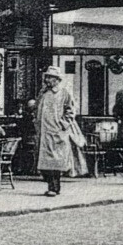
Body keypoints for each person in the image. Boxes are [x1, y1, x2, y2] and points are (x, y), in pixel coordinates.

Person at [34, 66, 78, 197]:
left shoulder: (64, 93)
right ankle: (51, 186)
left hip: (56, 133)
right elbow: (37, 108)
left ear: (57, 80)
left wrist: (62, 124)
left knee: (55, 162)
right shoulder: (43, 93)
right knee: (45, 163)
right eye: (47, 77)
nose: (47, 80)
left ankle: (54, 187)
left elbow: (71, 111)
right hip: (43, 133)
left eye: (50, 77)